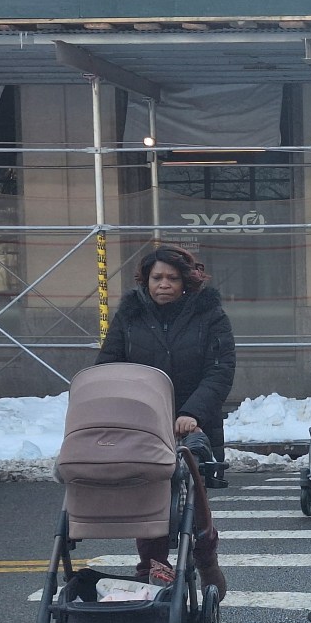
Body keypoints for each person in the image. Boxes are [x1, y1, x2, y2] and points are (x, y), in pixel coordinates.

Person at [97, 245, 235, 598]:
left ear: (186, 282)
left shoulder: (210, 315)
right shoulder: (129, 316)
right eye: (157, 278)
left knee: (195, 500)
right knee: (150, 497)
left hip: (195, 424)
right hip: (143, 422)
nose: (164, 284)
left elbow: (220, 370)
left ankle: (206, 561)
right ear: (146, 280)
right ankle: (152, 568)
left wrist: (193, 413)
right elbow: (109, 364)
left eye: (172, 278)